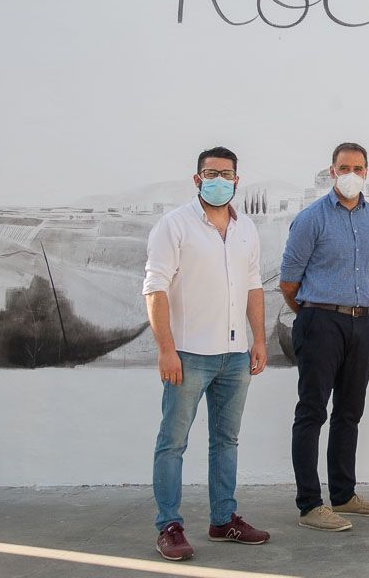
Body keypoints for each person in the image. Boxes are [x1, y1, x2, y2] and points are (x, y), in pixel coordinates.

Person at [143, 146, 270, 561]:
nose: (219, 180)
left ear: (237, 180)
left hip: (235, 356)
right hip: (188, 355)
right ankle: (169, 526)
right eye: (211, 174)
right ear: (197, 179)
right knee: (172, 443)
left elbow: (253, 286)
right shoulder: (174, 225)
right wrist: (166, 350)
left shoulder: (246, 228)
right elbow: (155, 288)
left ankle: (223, 519)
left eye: (226, 174)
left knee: (226, 441)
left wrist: (259, 339)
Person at [279, 142, 369, 532]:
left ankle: (343, 495)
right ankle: (310, 504)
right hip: (320, 321)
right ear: (332, 171)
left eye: (358, 168)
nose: (351, 174)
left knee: (349, 412)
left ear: (366, 172)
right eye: (344, 168)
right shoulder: (312, 218)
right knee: (312, 411)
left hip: (362, 322)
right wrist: (313, 314)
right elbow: (289, 280)